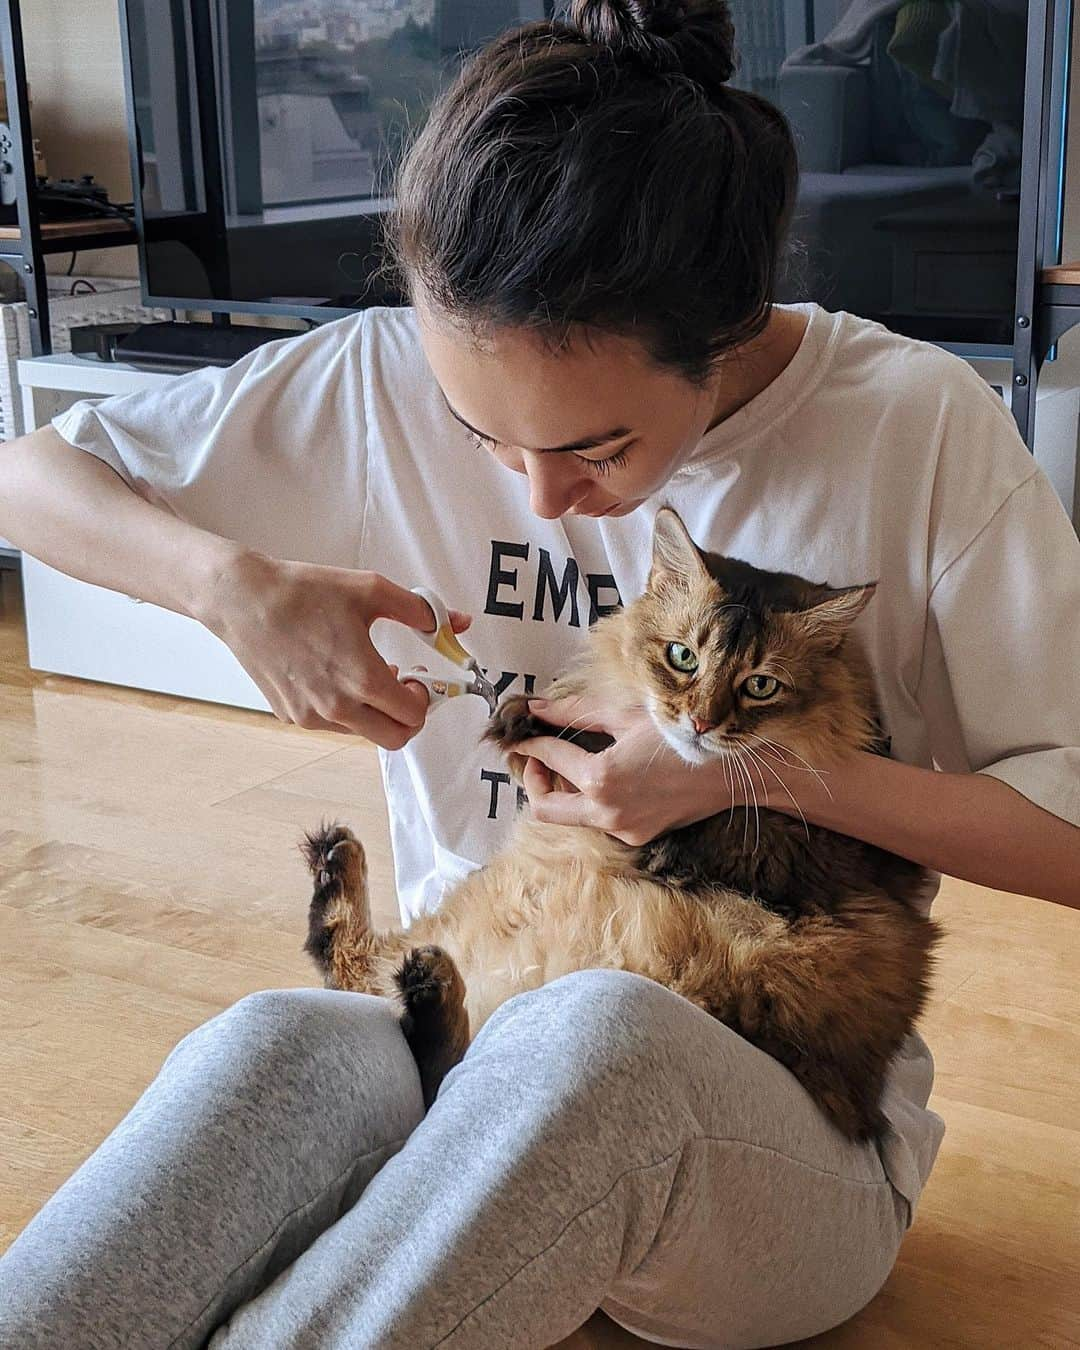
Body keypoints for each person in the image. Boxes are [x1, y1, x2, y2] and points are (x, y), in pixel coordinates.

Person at [0, 0, 1078, 1345]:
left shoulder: (918, 427)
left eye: (601, 449)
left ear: (727, 333)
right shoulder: (377, 379)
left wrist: (750, 781)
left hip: (751, 1096)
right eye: (481, 435)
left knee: (591, 1047)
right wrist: (235, 587)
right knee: (262, 1051)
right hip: (470, 1004)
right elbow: (30, 474)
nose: (543, 497)